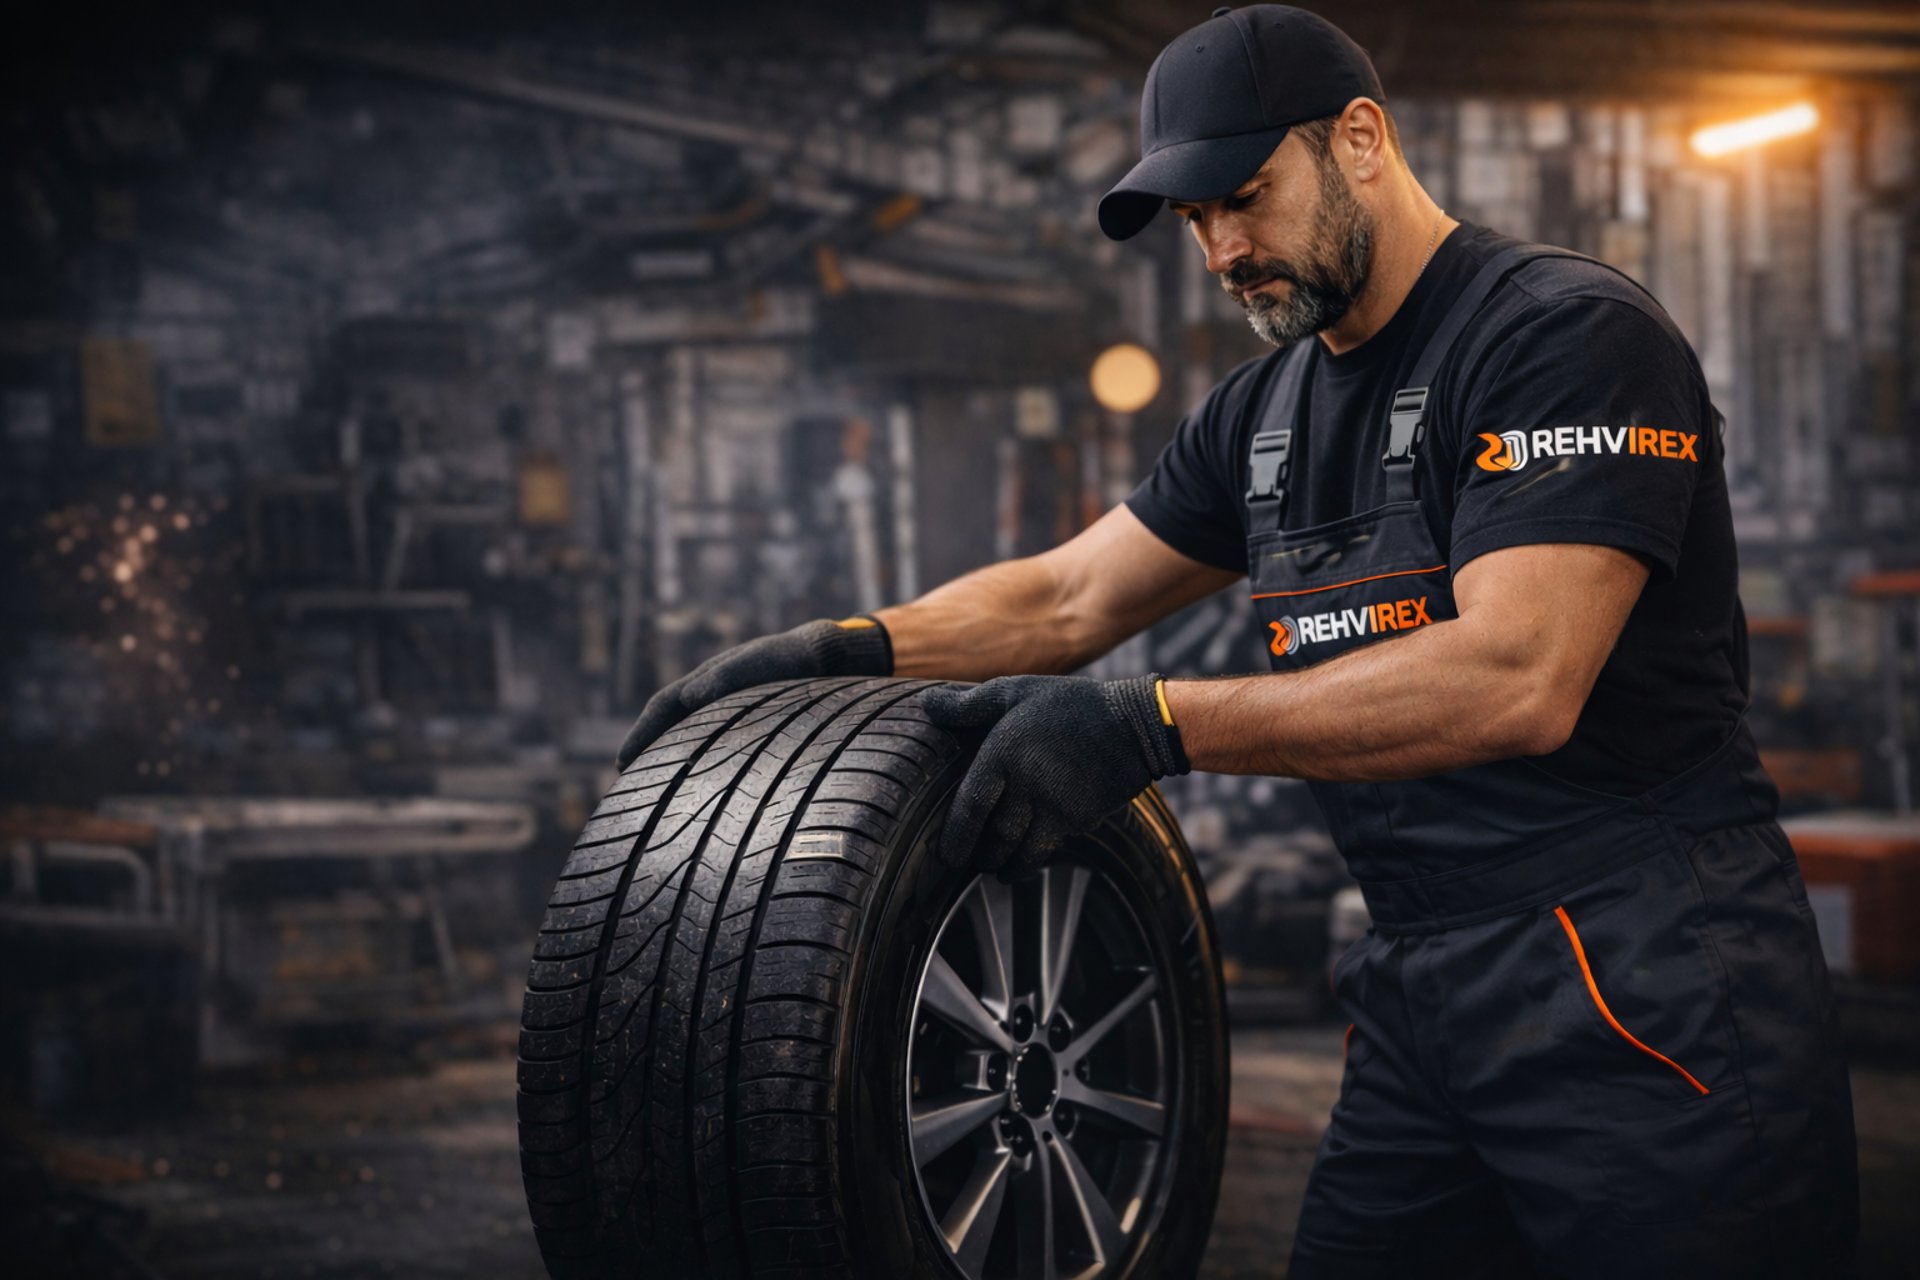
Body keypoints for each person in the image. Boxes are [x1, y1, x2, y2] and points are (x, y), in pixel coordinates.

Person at [615, 6, 1858, 1275]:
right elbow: (1064, 601)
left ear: (1360, 138)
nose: (1220, 248)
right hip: (1416, 973)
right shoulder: (1262, 411)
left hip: (1637, 970)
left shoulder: (1561, 338)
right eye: (1193, 218)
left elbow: (1518, 676)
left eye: (1243, 197)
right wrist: (844, 652)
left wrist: (1155, 725)